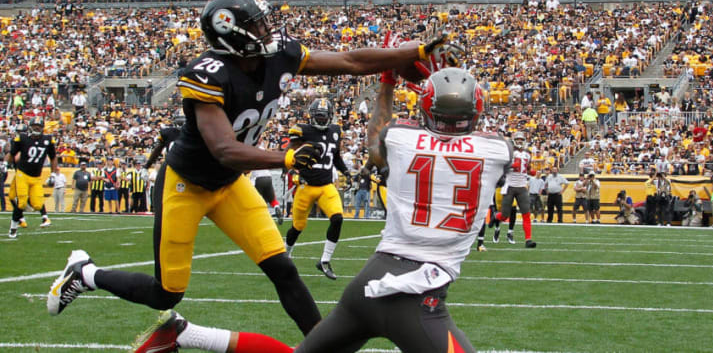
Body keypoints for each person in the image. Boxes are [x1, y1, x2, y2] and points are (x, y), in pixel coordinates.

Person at [48, 0, 459, 347]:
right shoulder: (206, 75)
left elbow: (350, 60)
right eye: (257, 27)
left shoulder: (280, 55)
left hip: (229, 184)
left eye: (265, 24)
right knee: (167, 292)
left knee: (282, 268)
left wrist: (416, 52)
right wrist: (284, 158)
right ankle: (85, 274)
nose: (268, 32)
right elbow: (225, 148)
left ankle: (321, 347)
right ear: (233, 34)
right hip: (187, 185)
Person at [130, 66, 503, 353]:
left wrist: (389, 81)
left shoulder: (400, 137)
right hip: (418, 295)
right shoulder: (498, 151)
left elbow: (378, 135)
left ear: (425, 108)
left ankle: (187, 333)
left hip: (368, 284)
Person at [285, 97, 351, 279]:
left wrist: (346, 172)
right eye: (319, 117)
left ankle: (324, 261)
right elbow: (289, 153)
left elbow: (336, 157)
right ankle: (286, 256)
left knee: (337, 218)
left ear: (330, 117)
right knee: (297, 227)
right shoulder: (302, 130)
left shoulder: (336, 131)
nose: (321, 120)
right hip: (306, 186)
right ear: (312, 116)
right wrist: (292, 170)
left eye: (324, 117)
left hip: (326, 186)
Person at [7, 116, 57, 238]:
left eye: (39, 126)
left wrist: (53, 173)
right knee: (22, 202)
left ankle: (42, 217)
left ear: (42, 128)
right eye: (35, 126)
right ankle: (13, 227)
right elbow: (12, 154)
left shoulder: (48, 140)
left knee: (38, 204)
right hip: (22, 174)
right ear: (30, 127)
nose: (37, 128)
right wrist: (5, 164)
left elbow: (53, 158)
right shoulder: (22, 138)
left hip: (36, 177)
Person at [494, 131, 536, 248]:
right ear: (514, 140)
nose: (519, 142)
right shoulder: (509, 153)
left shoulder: (527, 154)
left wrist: (530, 172)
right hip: (510, 185)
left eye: (521, 140)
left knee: (526, 213)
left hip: (522, 186)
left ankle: (528, 240)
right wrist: (512, 165)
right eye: (518, 139)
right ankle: (495, 217)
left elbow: (527, 168)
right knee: (504, 215)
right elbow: (501, 166)